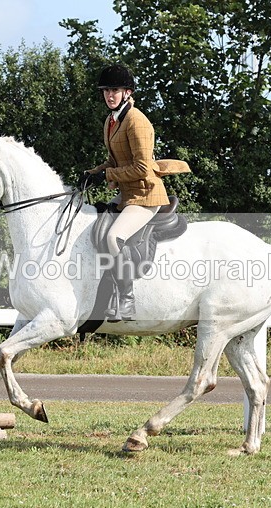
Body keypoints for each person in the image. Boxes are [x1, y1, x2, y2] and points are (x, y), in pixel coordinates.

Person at [84, 64, 188, 321]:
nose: (110, 95)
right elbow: (114, 161)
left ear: (127, 92)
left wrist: (107, 176)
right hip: (127, 194)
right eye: (106, 91)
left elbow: (142, 168)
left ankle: (127, 299)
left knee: (113, 237)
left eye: (115, 90)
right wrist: (92, 173)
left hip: (145, 194)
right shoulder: (111, 121)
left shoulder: (137, 121)